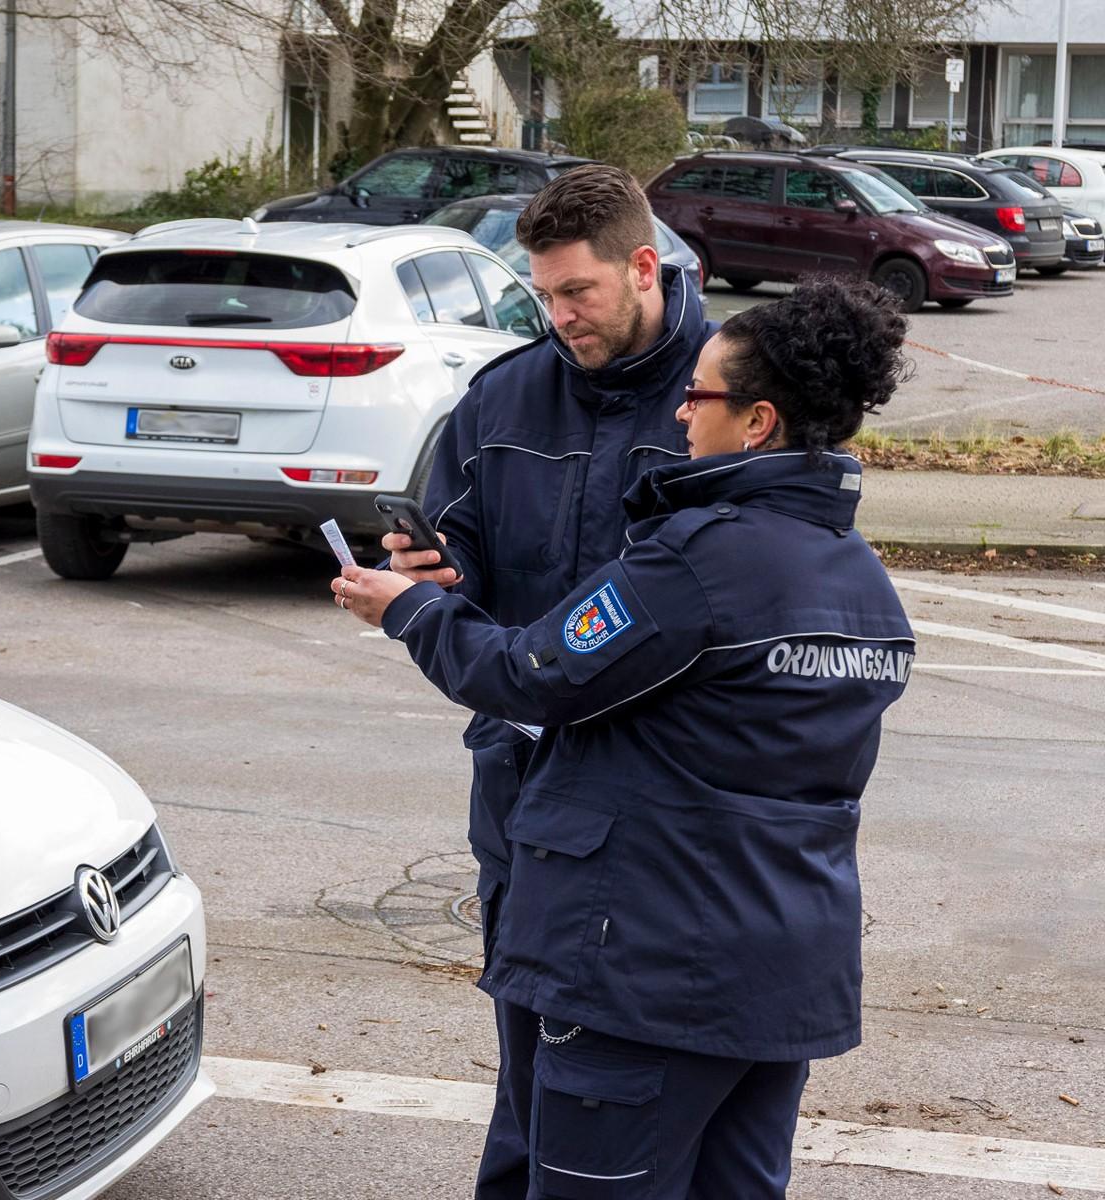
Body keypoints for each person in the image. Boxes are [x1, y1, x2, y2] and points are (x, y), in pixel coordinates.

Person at [335, 277, 915, 1198]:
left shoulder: (696, 560)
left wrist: (410, 610)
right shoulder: (863, 584)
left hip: (642, 970)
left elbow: (530, 674)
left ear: (758, 422)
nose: (682, 411)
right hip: (780, 975)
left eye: (701, 394)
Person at [382, 164, 714, 1198]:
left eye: (580, 293)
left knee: (639, 1075)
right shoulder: (504, 394)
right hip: (522, 782)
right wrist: (436, 571)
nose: (561, 315)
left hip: (666, 795)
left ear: (643, 267)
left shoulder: (726, 395)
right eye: (544, 296)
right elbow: (462, 552)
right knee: (530, 1054)